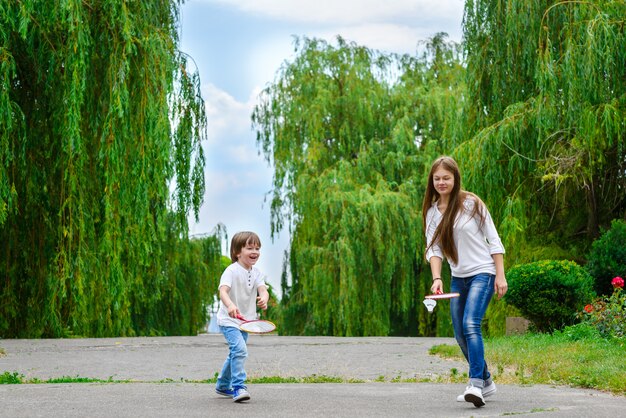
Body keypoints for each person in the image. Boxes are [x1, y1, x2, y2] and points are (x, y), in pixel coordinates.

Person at [422, 156, 508, 408]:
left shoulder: (471, 203)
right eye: (437, 178)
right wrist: (437, 278)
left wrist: (500, 275)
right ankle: (487, 381)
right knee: (460, 333)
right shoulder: (431, 213)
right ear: (432, 181)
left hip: (483, 272)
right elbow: (434, 250)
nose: (441, 182)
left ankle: (475, 385)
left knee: (471, 323)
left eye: (446, 178)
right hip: (458, 277)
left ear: (455, 178)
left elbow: (493, 239)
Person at [215, 231, 270, 402]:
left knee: (235, 353)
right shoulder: (231, 271)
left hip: (247, 322)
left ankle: (223, 386)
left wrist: (264, 300)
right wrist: (230, 305)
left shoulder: (257, 273)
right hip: (229, 320)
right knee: (240, 350)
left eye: (257, 248)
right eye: (249, 248)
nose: (255, 251)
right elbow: (223, 291)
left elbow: (263, 290)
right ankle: (239, 387)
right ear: (238, 252)